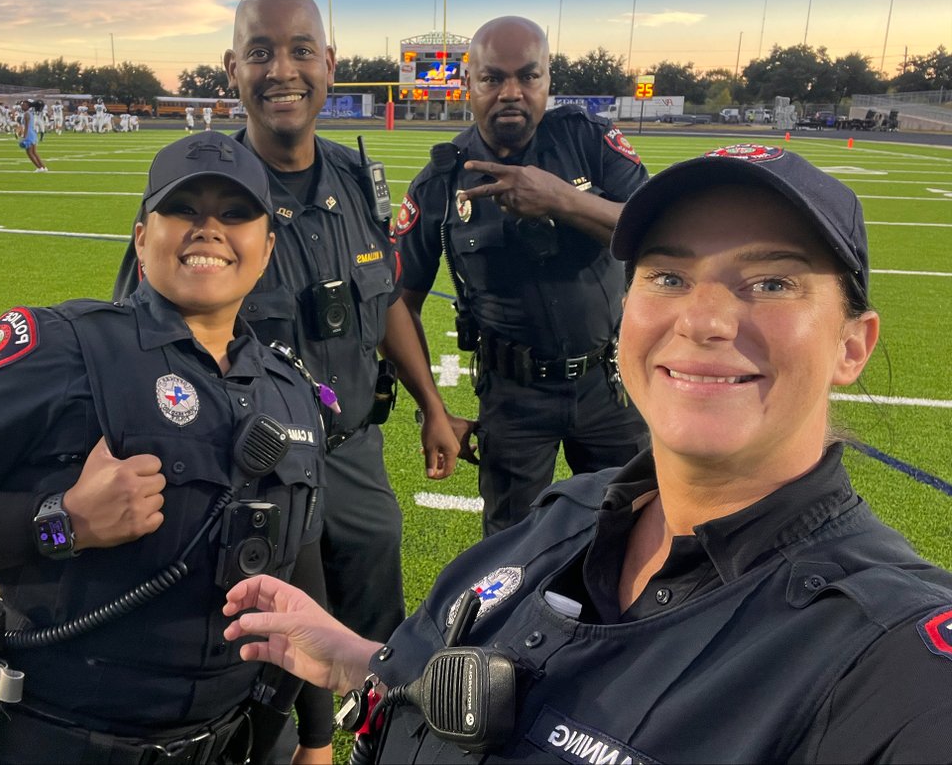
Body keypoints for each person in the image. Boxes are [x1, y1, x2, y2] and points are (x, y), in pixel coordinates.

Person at [224, 144, 952, 764]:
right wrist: (355, 659)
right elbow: (491, 697)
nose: (702, 319)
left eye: (770, 283)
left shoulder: (887, 653)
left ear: (852, 346)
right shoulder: (568, 515)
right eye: (668, 276)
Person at [0, 132, 327, 764]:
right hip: (52, 738)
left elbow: (302, 570)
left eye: (236, 214)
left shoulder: (291, 391)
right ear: (140, 237)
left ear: (266, 249)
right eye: (184, 209)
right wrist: (63, 523)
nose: (209, 229)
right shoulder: (57, 347)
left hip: (234, 742)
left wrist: (317, 738)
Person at [113, 0, 460, 760]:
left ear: (330, 65)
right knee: (264, 670)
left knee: (377, 652)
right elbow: (138, 348)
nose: (283, 70)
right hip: (251, 476)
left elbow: (387, 302)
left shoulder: (354, 180)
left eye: (300, 50)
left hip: (355, 458)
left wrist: (432, 405)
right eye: (261, 52)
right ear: (231, 68)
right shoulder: (203, 195)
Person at [395, 15, 650, 537]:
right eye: (493, 78)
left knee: (637, 529)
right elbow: (397, 302)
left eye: (527, 77)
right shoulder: (442, 180)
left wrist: (564, 200)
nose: (511, 92)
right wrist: (432, 409)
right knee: (511, 553)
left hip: (610, 387)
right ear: (469, 84)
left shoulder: (589, 142)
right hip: (513, 396)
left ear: (548, 81)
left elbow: (659, 233)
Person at [19, 98, 49, 172]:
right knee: (34, 152)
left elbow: (26, 126)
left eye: (24, 105)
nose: (22, 106)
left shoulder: (26, 114)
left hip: (29, 134)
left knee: (29, 153)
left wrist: (24, 137)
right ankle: (43, 167)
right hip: (33, 133)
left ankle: (39, 168)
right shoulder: (30, 113)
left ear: (28, 106)